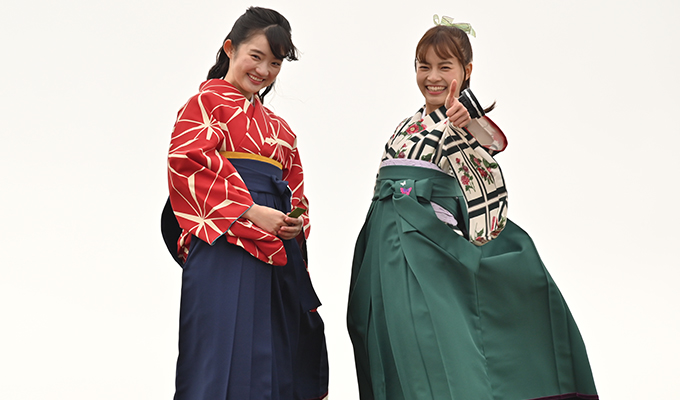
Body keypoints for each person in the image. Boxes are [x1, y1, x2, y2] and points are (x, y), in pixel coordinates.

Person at [347, 16, 598, 400]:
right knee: (384, 332)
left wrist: (467, 120)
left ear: (466, 71)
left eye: (444, 66)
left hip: (425, 242)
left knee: (431, 339)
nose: (432, 76)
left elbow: (490, 143)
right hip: (384, 239)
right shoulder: (406, 124)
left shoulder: (461, 118)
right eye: (424, 66)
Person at [162, 7, 328, 400]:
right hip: (223, 243)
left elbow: (295, 190)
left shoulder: (281, 130)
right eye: (256, 56)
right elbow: (186, 163)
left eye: (275, 63)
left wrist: (294, 222)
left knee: (276, 359)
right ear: (230, 49)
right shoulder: (204, 106)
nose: (264, 70)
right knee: (219, 354)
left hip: (276, 250)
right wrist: (250, 211)